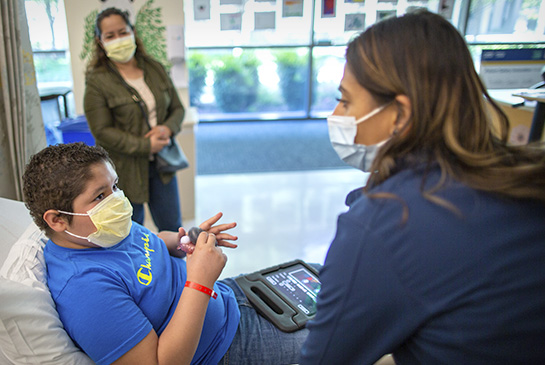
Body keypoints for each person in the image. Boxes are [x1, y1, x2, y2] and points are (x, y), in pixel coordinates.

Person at [300, 10, 545, 364]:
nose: (337, 113)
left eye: (347, 100)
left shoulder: (384, 223)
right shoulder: (523, 173)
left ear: (400, 114)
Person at [22, 142, 312, 364]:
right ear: (57, 220)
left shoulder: (99, 231)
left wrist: (186, 239)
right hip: (225, 347)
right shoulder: (84, 291)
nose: (118, 201)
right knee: (348, 334)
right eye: (100, 195)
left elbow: (152, 242)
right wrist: (199, 282)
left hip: (231, 297)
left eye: (115, 186)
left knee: (326, 275)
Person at [84, 7, 183, 231]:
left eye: (122, 32)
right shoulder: (97, 81)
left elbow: (177, 109)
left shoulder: (155, 68)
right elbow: (102, 131)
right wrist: (145, 144)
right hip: (123, 171)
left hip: (162, 165)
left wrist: (167, 129)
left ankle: (177, 267)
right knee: (129, 231)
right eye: (110, 36)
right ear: (100, 41)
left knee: (173, 228)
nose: (118, 39)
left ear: (133, 32)